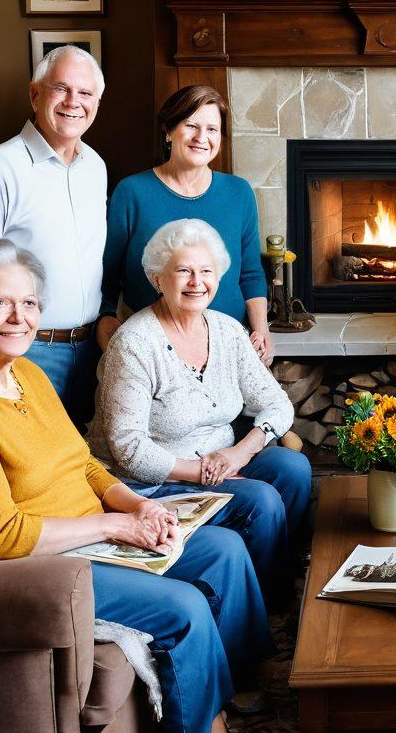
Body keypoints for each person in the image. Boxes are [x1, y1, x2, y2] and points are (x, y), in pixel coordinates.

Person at [0, 239, 272, 733]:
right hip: (28, 568)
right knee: (182, 609)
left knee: (222, 550)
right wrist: (119, 524)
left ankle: (232, 693)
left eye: (28, 303)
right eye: (0, 302)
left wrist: (139, 504)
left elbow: (84, 465)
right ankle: (203, 730)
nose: (19, 318)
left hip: (87, 535)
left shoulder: (25, 374)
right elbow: (3, 538)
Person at [89, 219, 311, 605]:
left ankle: (275, 586)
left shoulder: (227, 331)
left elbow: (277, 404)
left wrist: (240, 452)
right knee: (261, 500)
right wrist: (202, 472)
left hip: (222, 460)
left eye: (206, 271)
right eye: (184, 271)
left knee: (293, 469)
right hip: (152, 480)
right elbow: (127, 447)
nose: (197, 281)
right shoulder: (135, 345)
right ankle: (263, 603)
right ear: (158, 279)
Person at [0, 45, 106, 426]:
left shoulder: (95, 167)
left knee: (78, 468)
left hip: (89, 350)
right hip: (25, 350)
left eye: (85, 93)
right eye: (61, 89)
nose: (74, 102)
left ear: (97, 103)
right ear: (35, 94)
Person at [98, 85, 273, 364]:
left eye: (212, 129)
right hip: (151, 351)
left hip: (226, 349)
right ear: (168, 131)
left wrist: (261, 329)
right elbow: (108, 274)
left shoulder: (239, 193)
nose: (202, 138)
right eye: (191, 126)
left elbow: (250, 274)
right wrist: (105, 316)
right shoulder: (131, 192)